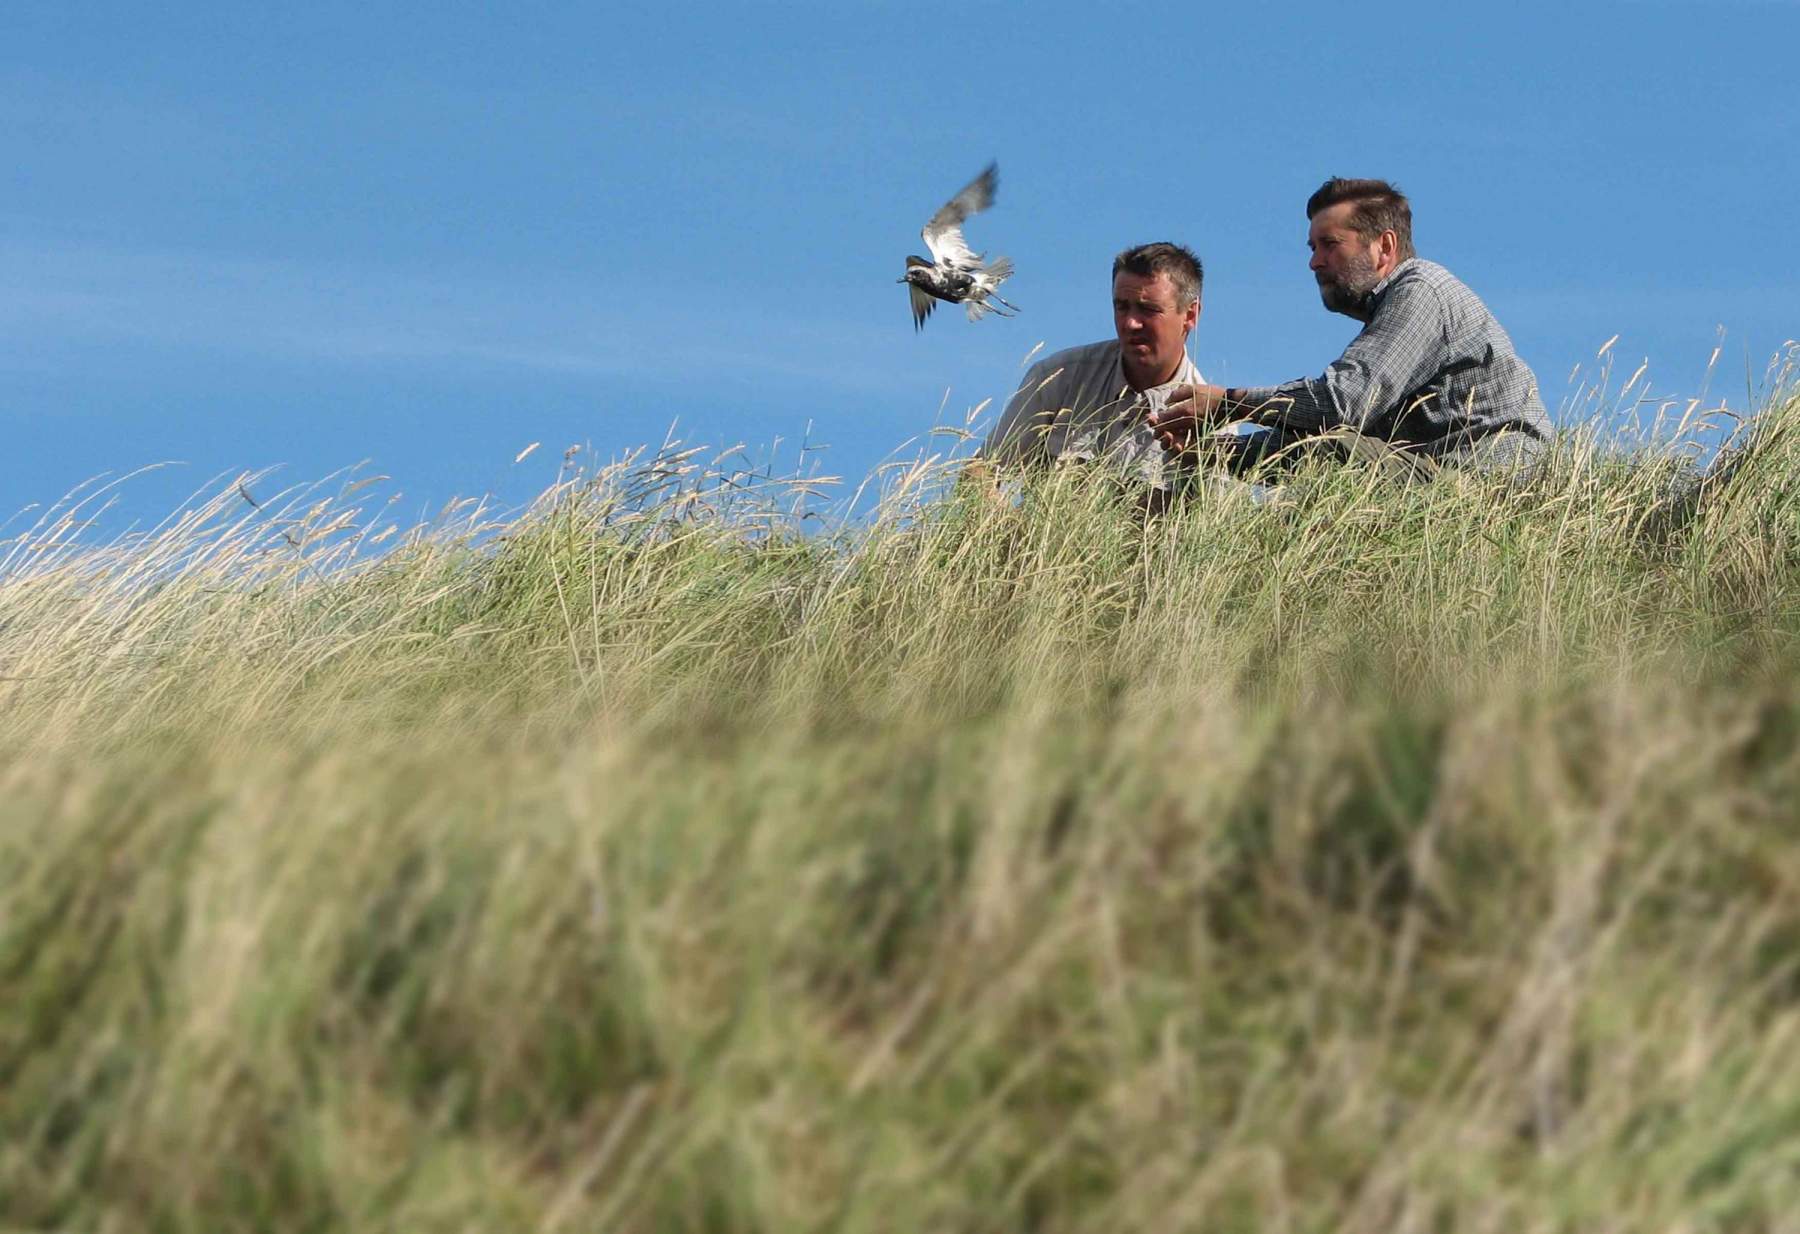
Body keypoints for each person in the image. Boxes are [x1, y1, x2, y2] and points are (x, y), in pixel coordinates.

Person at [1150, 178, 1552, 478]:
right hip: (1450, 478)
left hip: (1493, 485)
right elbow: (1328, 427)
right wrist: (1214, 453)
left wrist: (1228, 403)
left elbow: (1344, 403)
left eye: (1331, 244)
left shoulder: (1422, 290)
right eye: (1312, 248)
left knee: (1333, 450)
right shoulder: (1390, 322)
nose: (1315, 262)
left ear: (1385, 247)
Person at [981, 242, 1210, 495]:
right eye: (1121, 306)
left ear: (1190, 315)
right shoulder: (1059, 377)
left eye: (1148, 310)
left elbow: (1217, 525)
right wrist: (1009, 527)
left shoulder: (1207, 420)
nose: (1131, 323)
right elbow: (980, 472)